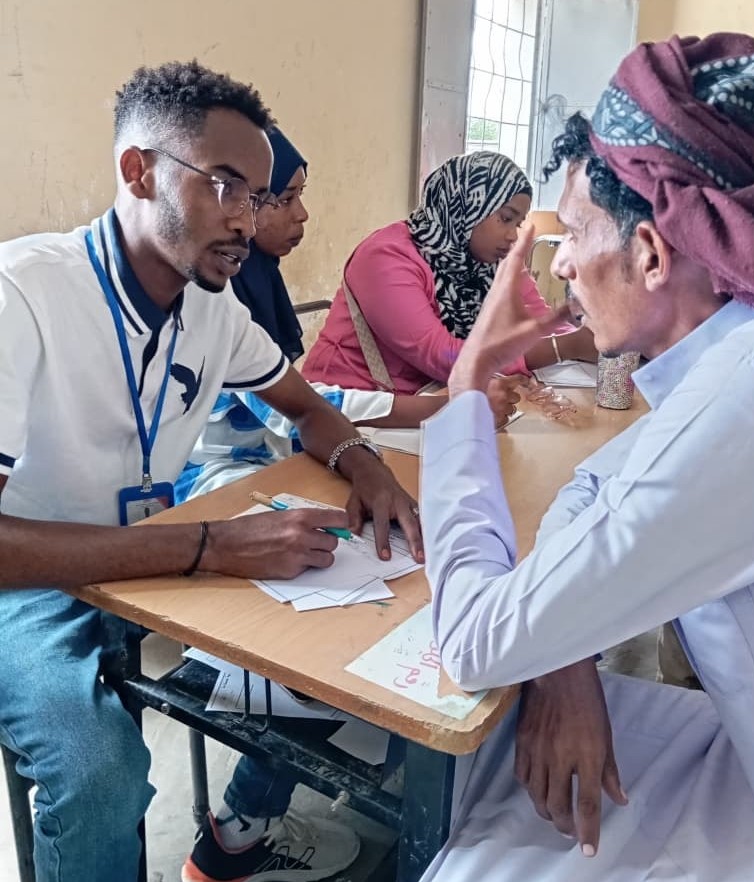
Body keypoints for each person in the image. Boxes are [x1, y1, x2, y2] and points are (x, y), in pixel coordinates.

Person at [0, 59, 425, 882]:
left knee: (351, 634)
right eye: (225, 185)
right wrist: (207, 547)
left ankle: (236, 831)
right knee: (100, 773)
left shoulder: (210, 306)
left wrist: (364, 465)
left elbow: (305, 408)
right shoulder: (23, 296)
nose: (247, 219)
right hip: (33, 582)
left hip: (156, 548)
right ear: (138, 171)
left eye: (259, 197)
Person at [419, 32, 754, 882]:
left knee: (478, 835)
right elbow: (595, 485)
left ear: (650, 253)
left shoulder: (747, 391)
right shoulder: (739, 356)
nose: (562, 261)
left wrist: (468, 382)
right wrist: (567, 649)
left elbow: (473, 639)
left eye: (573, 232)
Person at [177, 128, 520, 503]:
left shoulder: (252, 281)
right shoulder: (386, 255)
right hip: (219, 470)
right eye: (284, 199)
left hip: (299, 442)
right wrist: (449, 404)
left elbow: (297, 404)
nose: (303, 214)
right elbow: (435, 352)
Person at [302, 151, 595, 394]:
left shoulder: (491, 261)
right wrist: (563, 347)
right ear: (467, 206)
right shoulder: (386, 258)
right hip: (355, 407)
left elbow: (542, 322)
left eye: (517, 223)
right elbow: (443, 356)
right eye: (505, 218)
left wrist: (591, 338)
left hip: (431, 400)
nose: (512, 236)